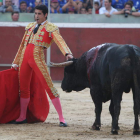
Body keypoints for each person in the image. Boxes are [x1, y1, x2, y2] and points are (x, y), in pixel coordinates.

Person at [11, 4, 73, 126]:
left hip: (37, 58)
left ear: (45, 15)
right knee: (23, 89)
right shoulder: (30, 27)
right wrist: (15, 61)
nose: (37, 16)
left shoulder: (51, 28)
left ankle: (61, 118)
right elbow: (22, 45)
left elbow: (59, 40)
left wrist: (67, 53)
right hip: (24, 59)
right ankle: (22, 116)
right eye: (35, 13)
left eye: (39, 14)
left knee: (49, 85)